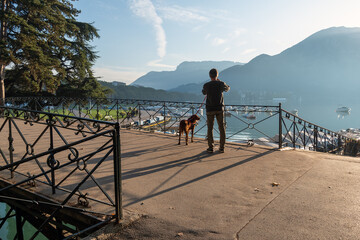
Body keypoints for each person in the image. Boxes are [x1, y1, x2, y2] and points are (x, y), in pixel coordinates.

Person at [202, 68, 230, 153]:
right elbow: (227, 88)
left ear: (210, 76)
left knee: (210, 128)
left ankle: (211, 147)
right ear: (217, 75)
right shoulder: (220, 84)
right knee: (221, 128)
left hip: (209, 109)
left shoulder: (206, 85)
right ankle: (221, 147)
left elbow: (204, 92)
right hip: (219, 109)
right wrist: (220, 81)